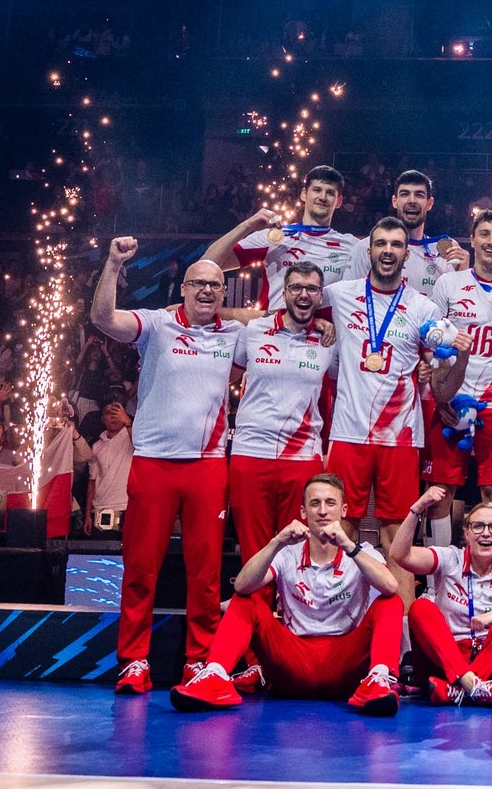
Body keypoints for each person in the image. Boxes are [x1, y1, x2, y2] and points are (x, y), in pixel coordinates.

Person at [89, 239, 245, 695]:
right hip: (154, 463)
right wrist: (113, 264)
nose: (206, 291)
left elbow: (277, 324)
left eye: (215, 285)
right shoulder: (156, 324)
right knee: (140, 569)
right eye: (198, 283)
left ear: (223, 293)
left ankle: (199, 662)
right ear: (183, 288)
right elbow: (102, 319)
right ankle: (133, 661)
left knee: (206, 573)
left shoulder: (235, 335)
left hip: (208, 466)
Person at [169, 473, 405, 714]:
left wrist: (349, 546)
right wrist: (277, 542)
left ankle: (379, 679)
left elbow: (391, 587)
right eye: (315, 503)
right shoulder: (287, 552)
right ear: (303, 512)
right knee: (245, 600)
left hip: (345, 663)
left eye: (330, 503)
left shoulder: (361, 553)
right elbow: (241, 585)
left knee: (391, 602)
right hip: (293, 661)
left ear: (343, 510)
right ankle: (215, 676)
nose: (323, 511)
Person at [320, 218, 468, 588]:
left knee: (397, 538)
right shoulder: (339, 294)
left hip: (400, 436)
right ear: (369, 250)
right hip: (349, 431)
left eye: (396, 244)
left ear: (406, 254)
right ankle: (336, 611)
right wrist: (322, 326)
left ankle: (401, 623)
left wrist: (453, 361)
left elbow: (442, 379)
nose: (388, 251)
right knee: (340, 530)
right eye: (381, 243)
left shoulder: (423, 308)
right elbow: (295, 308)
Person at [424, 210, 492, 536]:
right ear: (472, 239)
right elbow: (432, 342)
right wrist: (440, 394)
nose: (491, 241)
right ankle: (438, 567)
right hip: (451, 400)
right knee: (440, 492)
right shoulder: (448, 283)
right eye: (484, 234)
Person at [392, 487, 492, 706]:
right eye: (478, 526)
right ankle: (473, 686)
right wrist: (417, 508)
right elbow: (400, 555)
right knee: (421, 607)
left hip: (490, 660)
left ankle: (456, 690)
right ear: (466, 533)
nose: (486, 533)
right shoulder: (450, 558)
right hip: (445, 659)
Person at [227, 263, 335, 558]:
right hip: (250, 454)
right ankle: (256, 593)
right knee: (254, 552)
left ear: (320, 296)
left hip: (302, 457)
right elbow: (227, 378)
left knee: (298, 553)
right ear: (284, 293)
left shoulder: (329, 341)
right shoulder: (254, 331)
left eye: (311, 289)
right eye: (296, 287)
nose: (304, 295)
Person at [203, 166, 363, 308]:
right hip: (273, 331)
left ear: (339, 201)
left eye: (330, 193)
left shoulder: (351, 246)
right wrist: (247, 225)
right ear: (304, 194)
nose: (322, 197)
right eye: (317, 190)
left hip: (323, 332)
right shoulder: (275, 236)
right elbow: (207, 265)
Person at [390, 170, 470, 292]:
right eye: (405, 194)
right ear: (394, 201)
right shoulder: (370, 247)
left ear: (429, 203)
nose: (412, 201)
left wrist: (463, 275)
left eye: (419, 195)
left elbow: (457, 298)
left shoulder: (446, 252)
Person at [88, 398, 133, 535]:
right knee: (101, 547)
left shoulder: (131, 438)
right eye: (108, 413)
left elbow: (142, 446)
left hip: (125, 506)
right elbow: (92, 481)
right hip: (100, 508)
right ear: (102, 419)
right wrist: (88, 514)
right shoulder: (97, 446)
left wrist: (128, 422)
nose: (113, 417)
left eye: (116, 412)